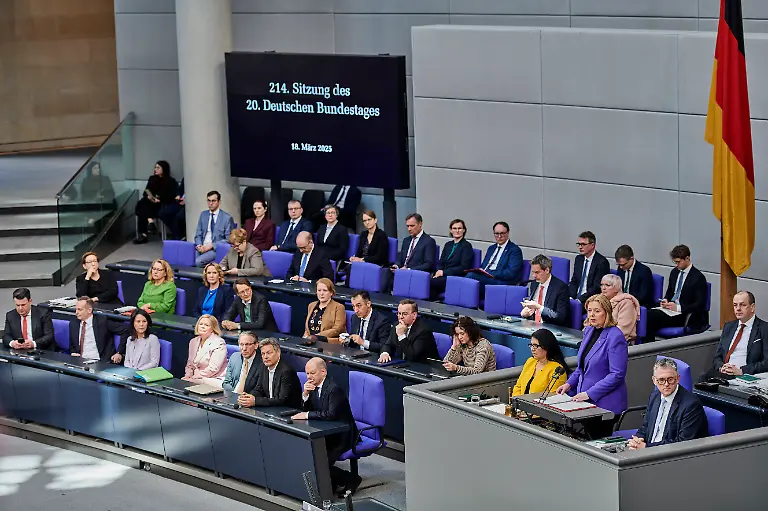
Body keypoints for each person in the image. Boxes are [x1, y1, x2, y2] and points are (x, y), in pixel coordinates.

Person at [556, 294, 628, 437]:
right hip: (585, 401)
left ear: (606, 312)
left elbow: (617, 375)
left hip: (605, 404)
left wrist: (589, 394)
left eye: (597, 311)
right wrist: (569, 384)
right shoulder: (589, 331)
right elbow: (582, 366)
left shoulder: (615, 337)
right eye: (589, 311)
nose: (592, 315)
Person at [292, 357, 361, 496]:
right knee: (308, 455)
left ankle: (351, 479)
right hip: (325, 433)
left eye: (312, 373)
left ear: (323, 372)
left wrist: (306, 415)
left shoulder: (334, 389)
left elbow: (331, 414)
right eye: (307, 374)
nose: (309, 377)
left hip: (342, 436)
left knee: (319, 461)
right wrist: (305, 394)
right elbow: (306, 408)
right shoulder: (312, 387)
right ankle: (333, 482)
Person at [628, 357, 708, 449]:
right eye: (661, 380)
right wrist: (638, 440)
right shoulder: (654, 397)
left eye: (670, 379)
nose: (666, 384)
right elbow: (646, 427)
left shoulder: (691, 405)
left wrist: (646, 447)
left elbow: (683, 443)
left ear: (678, 379)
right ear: (654, 380)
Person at [646, 245, 709, 342]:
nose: (676, 265)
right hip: (671, 310)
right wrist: (665, 301)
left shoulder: (698, 277)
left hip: (685, 314)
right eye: (675, 262)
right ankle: (647, 346)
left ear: (687, 258)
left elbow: (699, 305)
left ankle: (647, 348)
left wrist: (678, 308)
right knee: (647, 314)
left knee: (651, 318)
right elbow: (669, 293)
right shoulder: (674, 272)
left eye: (678, 262)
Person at [702, 290, 768, 380]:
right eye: (735, 305)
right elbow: (718, 357)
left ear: (752, 307)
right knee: (702, 379)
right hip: (723, 374)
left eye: (742, 305)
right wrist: (722, 367)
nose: (738, 309)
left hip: (744, 376)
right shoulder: (729, 327)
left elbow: (766, 362)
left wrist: (741, 371)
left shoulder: (764, 328)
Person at [239, 337, 302, 408]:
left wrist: (255, 401)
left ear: (278, 353)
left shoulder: (286, 371)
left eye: (269, 353)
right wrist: (249, 397)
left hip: (287, 411)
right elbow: (259, 388)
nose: (265, 357)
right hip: (271, 408)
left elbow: (282, 400)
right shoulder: (264, 366)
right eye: (263, 354)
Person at [68, 297, 127, 363]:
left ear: (89, 310)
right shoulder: (73, 323)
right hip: (80, 361)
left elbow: (126, 330)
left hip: (100, 361)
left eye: (79, 310)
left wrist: (119, 352)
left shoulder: (102, 321)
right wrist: (73, 352)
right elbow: (72, 345)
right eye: (76, 309)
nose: (76, 312)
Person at [467, 221, 523, 290]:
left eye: (502, 233)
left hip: (501, 282)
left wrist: (491, 273)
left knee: (471, 277)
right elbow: (484, 266)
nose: (499, 236)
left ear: (508, 233)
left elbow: (510, 273)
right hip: (486, 279)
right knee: (469, 275)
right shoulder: (491, 248)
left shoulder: (514, 250)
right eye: (497, 233)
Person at [513, 328, 569, 396]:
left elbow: (553, 397)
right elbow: (518, 387)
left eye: (536, 346)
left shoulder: (557, 369)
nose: (532, 349)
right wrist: (517, 401)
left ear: (546, 346)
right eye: (531, 345)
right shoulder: (530, 361)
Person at [134, 160, 177, 244]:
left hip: (161, 205)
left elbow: (171, 196)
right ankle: (150, 222)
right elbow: (146, 192)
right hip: (150, 203)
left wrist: (159, 199)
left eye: (158, 168)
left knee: (141, 206)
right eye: (155, 167)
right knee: (143, 202)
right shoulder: (152, 179)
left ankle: (145, 233)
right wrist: (150, 197)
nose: (155, 169)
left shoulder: (170, 181)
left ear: (164, 169)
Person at [521, 254, 570, 326]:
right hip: (533, 326)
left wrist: (538, 307)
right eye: (533, 272)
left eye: (537, 272)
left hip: (550, 328)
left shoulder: (561, 288)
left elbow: (559, 317)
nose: (534, 276)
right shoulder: (534, 284)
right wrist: (525, 313)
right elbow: (533, 312)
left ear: (547, 270)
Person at [430, 219, 474, 298]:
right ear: (451, 230)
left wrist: (444, 272)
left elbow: (464, 267)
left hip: (456, 277)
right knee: (428, 281)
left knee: (431, 282)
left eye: (459, 228)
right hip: (443, 276)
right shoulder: (448, 245)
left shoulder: (467, 246)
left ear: (464, 230)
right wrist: (438, 271)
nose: (457, 231)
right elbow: (441, 262)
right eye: (454, 228)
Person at [183, 314, 227, 387]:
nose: (202, 327)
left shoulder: (219, 342)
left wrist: (194, 378)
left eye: (206, 325)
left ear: (213, 328)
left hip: (214, 378)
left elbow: (213, 369)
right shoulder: (193, 341)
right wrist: (188, 376)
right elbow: (190, 365)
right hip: (196, 378)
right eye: (201, 324)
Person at [193, 190, 235, 267]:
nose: (211, 203)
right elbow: (198, 234)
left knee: (198, 262)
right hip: (202, 247)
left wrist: (211, 245)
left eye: (213, 201)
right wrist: (199, 245)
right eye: (208, 201)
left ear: (219, 202)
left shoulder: (227, 218)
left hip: (215, 249)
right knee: (192, 260)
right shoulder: (203, 215)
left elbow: (229, 239)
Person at [569, 231, 610, 304]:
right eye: (579, 244)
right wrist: (571, 297)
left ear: (592, 245)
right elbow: (574, 281)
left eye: (583, 244)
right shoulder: (579, 259)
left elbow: (597, 287)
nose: (580, 247)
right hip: (576, 297)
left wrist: (579, 300)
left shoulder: (602, 262)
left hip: (591, 299)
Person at [303, 278, 346, 344]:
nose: (321, 293)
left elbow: (337, 329)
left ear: (331, 292)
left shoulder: (339, 307)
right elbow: (307, 328)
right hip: (310, 341)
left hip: (328, 343)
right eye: (319, 290)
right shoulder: (311, 305)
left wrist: (316, 337)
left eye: (325, 290)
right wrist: (305, 338)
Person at [600, 273, 640, 343]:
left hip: (619, 342)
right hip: (600, 338)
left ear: (616, 288)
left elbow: (622, 331)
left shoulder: (627, 303)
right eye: (602, 285)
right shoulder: (600, 300)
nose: (603, 288)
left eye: (607, 285)